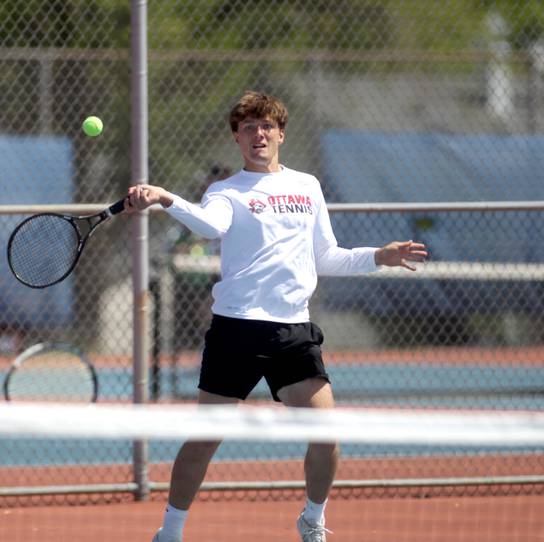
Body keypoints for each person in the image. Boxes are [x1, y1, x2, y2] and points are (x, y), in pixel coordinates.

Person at [126, 91, 427, 542]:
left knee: (327, 435)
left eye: (266, 126)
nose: (258, 134)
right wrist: (167, 198)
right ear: (237, 138)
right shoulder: (226, 191)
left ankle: (313, 519)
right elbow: (211, 227)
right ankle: (169, 532)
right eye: (248, 128)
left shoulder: (307, 186)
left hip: (292, 332)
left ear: (281, 133)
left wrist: (378, 256)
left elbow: (326, 256)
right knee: (205, 439)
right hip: (236, 331)